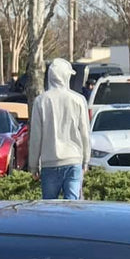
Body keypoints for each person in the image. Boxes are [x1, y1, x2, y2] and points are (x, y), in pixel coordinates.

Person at [29, 57, 91, 199]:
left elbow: (36, 137)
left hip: (49, 162)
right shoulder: (78, 99)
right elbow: (85, 133)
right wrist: (86, 160)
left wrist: (33, 165)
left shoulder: (41, 101)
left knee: (49, 212)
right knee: (73, 210)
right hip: (74, 160)